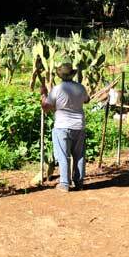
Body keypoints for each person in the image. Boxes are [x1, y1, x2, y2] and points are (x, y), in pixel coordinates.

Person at [40, 63, 90, 192]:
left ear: (60, 75)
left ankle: (64, 183)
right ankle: (79, 182)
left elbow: (46, 108)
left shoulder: (57, 89)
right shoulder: (80, 87)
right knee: (79, 155)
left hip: (62, 126)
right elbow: (87, 100)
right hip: (79, 125)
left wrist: (44, 95)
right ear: (72, 74)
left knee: (63, 155)